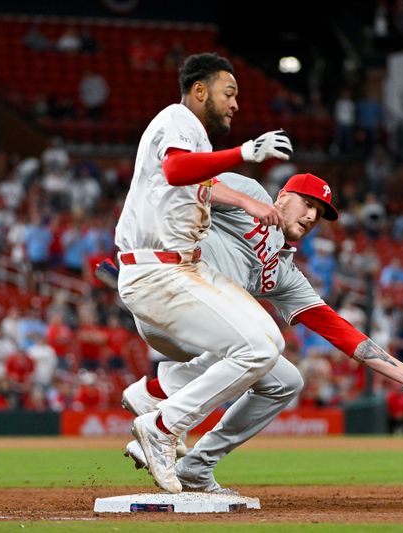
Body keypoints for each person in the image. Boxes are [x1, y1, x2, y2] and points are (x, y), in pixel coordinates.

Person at [101, 172, 403, 494]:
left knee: (285, 381)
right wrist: (140, 260)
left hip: (201, 328)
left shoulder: (284, 273)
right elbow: (188, 183)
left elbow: (340, 331)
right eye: (308, 203)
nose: (313, 215)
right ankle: (160, 404)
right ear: (283, 196)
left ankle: (195, 466)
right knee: (257, 341)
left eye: (320, 212)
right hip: (172, 297)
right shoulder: (249, 193)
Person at [114, 52, 294, 494]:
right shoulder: (177, 117)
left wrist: (247, 201)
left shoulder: (195, 137)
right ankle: (162, 424)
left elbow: (196, 180)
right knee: (256, 345)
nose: (235, 104)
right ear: (199, 91)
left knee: (269, 345)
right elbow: (176, 170)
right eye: (228, 93)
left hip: (183, 269)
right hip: (158, 275)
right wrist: (245, 153)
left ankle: (155, 395)